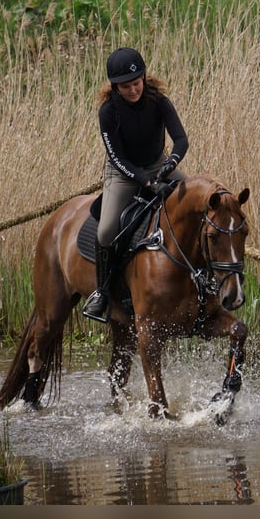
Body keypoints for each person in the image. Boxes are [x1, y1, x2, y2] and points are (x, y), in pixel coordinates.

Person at [83, 47, 189, 323]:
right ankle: (102, 293)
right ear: (115, 87)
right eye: (126, 86)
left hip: (159, 165)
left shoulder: (159, 101)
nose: (133, 90)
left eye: (137, 83)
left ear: (144, 78)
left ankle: (203, 277)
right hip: (123, 174)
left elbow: (180, 139)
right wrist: (148, 182)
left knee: (195, 203)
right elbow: (117, 157)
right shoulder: (108, 112)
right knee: (106, 231)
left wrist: (169, 166)